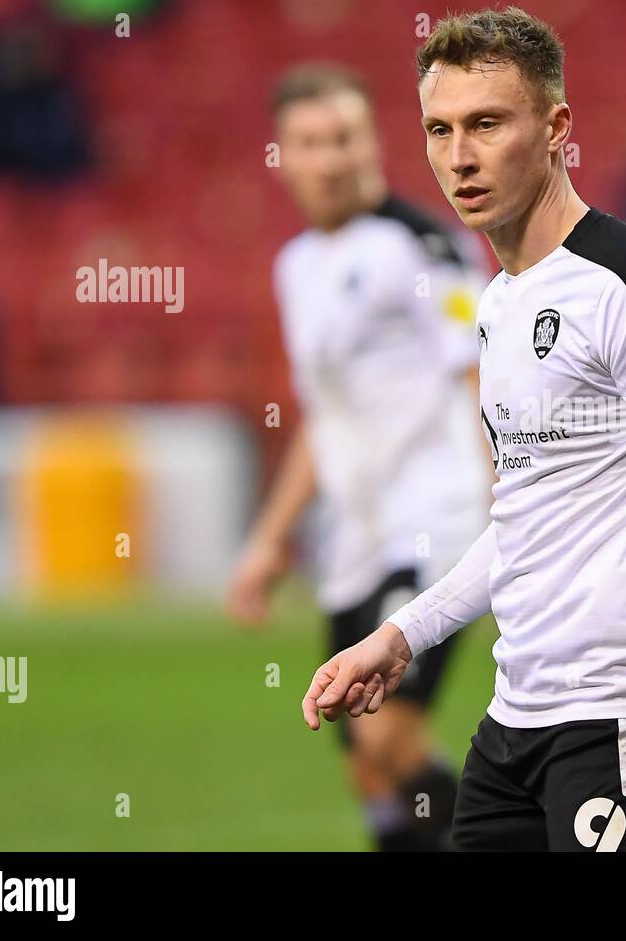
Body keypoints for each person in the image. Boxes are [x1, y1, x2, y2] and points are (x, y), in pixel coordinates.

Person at [302, 7, 626, 851]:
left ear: (556, 129)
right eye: (439, 129)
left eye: (486, 124)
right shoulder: (500, 304)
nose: (459, 156)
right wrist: (402, 634)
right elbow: (525, 523)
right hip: (517, 720)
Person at [229, 63, 488, 851]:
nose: (330, 157)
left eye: (343, 137)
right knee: (367, 770)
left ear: (372, 140)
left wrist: (514, 494)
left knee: (389, 740)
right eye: (310, 142)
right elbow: (323, 419)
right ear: (285, 156)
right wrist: (272, 536)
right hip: (355, 540)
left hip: (434, 522)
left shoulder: (424, 246)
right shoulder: (296, 266)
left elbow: (483, 374)